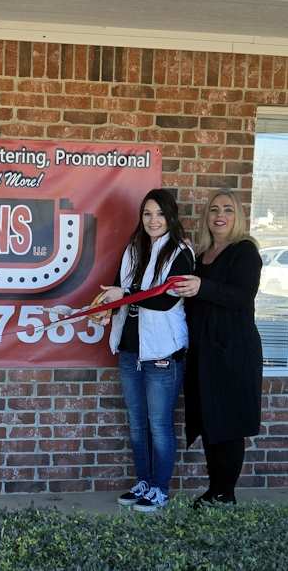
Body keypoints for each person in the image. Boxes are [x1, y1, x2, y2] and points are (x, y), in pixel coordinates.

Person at [96, 188, 194, 512]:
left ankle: (160, 488)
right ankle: (144, 481)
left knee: (159, 425)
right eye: (147, 214)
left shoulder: (181, 252)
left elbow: (164, 300)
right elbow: (117, 292)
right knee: (137, 425)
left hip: (163, 353)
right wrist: (106, 306)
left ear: (171, 216)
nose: (153, 220)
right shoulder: (133, 248)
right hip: (130, 350)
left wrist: (122, 293)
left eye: (160, 214)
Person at [173, 189, 263, 506]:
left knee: (228, 422)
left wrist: (202, 287)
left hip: (233, 350)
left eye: (227, 209)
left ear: (237, 216)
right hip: (204, 351)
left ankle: (226, 493)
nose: (219, 215)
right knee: (210, 419)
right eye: (213, 210)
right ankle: (215, 489)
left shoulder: (245, 252)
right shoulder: (201, 254)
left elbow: (242, 296)